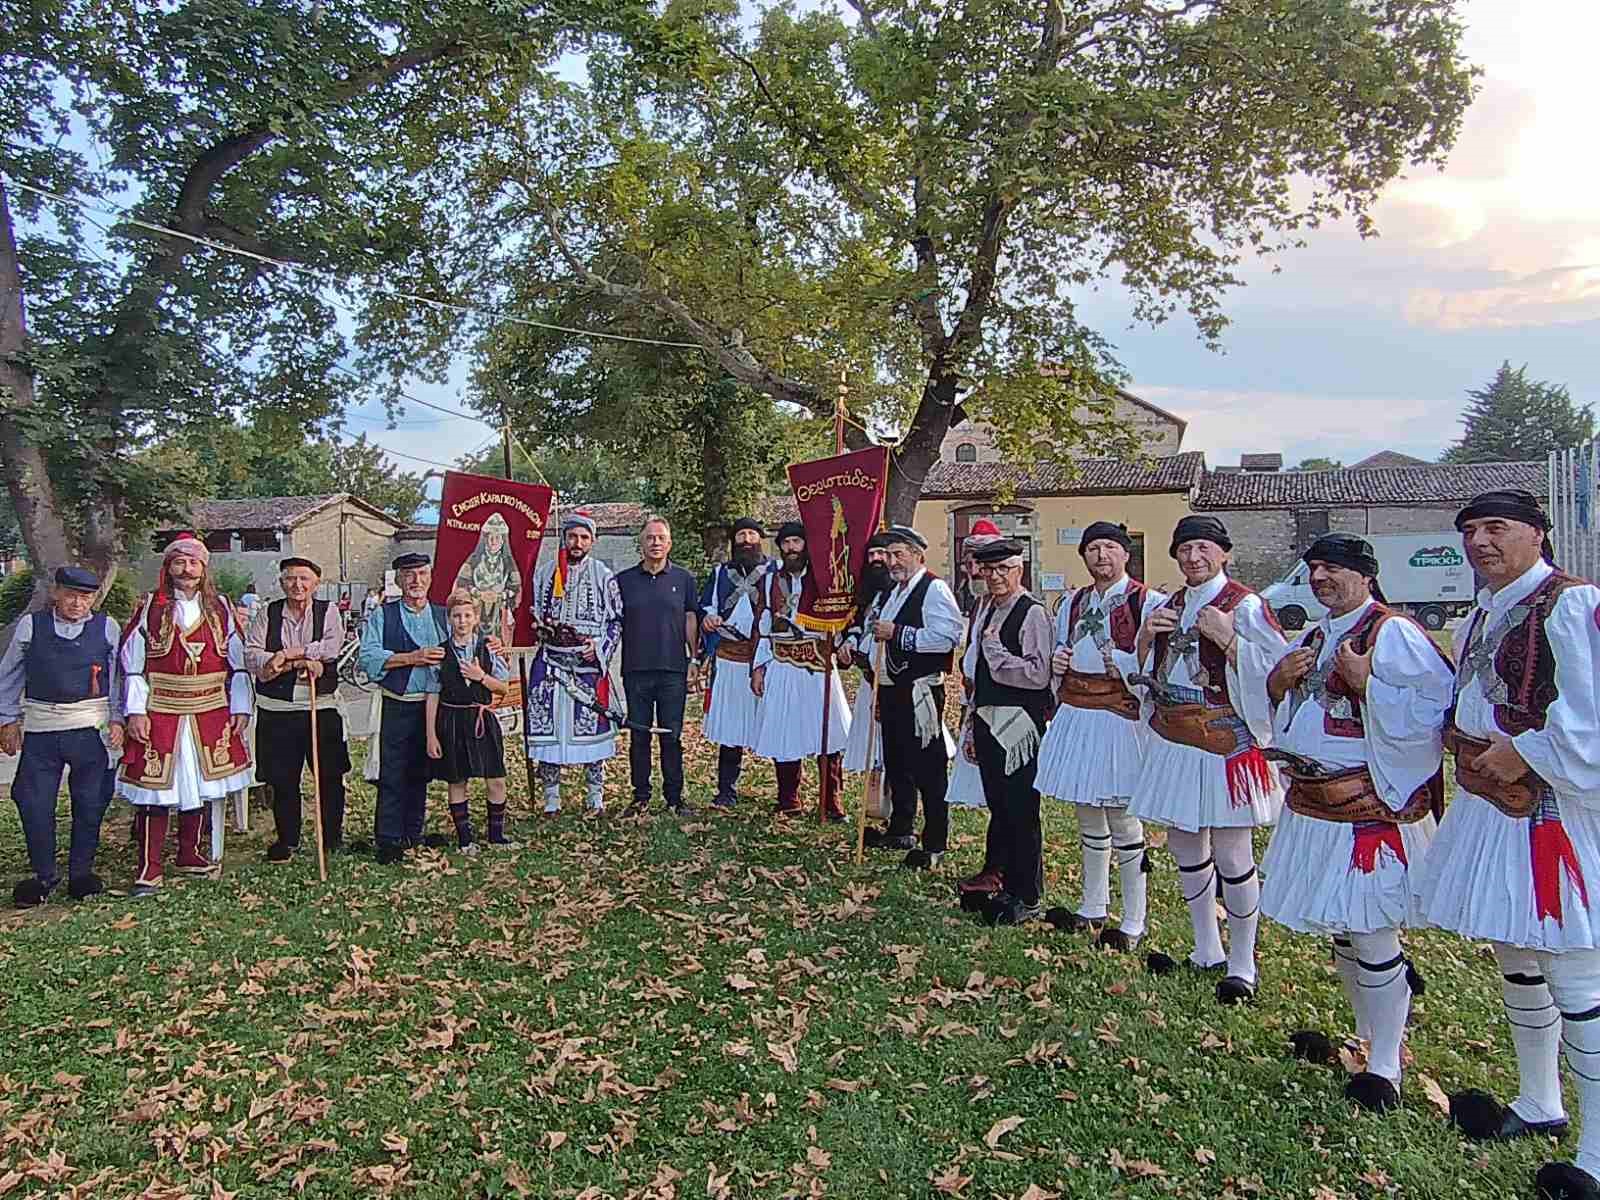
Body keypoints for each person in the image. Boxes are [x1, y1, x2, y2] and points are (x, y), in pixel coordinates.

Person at [1410, 491, 1600, 1200]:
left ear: (1537, 534)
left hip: (1556, 808)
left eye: (1497, 528)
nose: (1480, 541)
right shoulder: (1485, 611)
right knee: (1516, 953)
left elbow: (1592, 710)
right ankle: (1539, 1100)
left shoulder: (1571, 604)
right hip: (1493, 802)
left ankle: (1596, 1151)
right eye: (1469, 530)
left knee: (1574, 970)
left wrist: (1527, 750)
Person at [1243, 534, 1451, 1112]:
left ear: (1365, 574)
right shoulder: (1315, 634)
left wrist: (1368, 685)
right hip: (1314, 805)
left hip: (1367, 809)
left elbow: (1433, 712)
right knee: (1341, 928)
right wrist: (1278, 683)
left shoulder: (1393, 633)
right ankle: (1366, 1039)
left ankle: (1386, 1065)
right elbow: (1290, 710)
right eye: (1313, 569)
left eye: (1333, 568)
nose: (1320, 578)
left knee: (1373, 928)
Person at [1127, 515, 1285, 1003]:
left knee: (1234, 852)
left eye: (1203, 549)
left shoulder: (1246, 604)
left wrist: (1228, 639)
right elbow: (1144, 670)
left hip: (1224, 741)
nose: (1193, 558)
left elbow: (1278, 672)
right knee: (1185, 846)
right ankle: (1205, 946)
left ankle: (1243, 962)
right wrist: (1145, 639)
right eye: (1185, 550)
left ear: (1223, 553)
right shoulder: (1170, 603)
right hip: (1176, 737)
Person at [1036, 522, 1167, 951]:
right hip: (1078, 712)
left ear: (1126, 554)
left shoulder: (1148, 603)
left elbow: (1159, 671)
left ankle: (1134, 918)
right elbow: (1060, 648)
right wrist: (1058, 662)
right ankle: (1092, 905)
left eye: (1110, 547)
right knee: (1088, 814)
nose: (1101, 556)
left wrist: (1126, 664)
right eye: (1093, 548)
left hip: (1120, 717)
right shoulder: (1071, 602)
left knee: (1124, 820)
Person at [118, 534, 253, 896]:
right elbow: (132, 664)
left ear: (204, 568)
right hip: (162, 709)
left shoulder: (221, 607)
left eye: (194, 562)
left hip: (210, 708)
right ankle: (149, 866)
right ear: (169, 567)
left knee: (199, 785)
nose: (187, 568)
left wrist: (240, 706)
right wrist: (135, 711)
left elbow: (238, 664)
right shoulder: (150, 607)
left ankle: (189, 853)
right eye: (180, 562)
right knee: (156, 789)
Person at [0, 567, 123, 906]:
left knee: (90, 801)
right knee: (33, 802)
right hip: (41, 729)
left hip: (89, 728)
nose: (76, 602)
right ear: (56, 593)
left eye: (85, 596)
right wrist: (7, 719)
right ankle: (43, 875)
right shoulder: (32, 626)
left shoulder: (107, 628)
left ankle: (80, 874)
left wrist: (118, 719)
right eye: (70, 594)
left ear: (94, 598)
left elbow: (118, 678)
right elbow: (8, 673)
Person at [963, 537, 1055, 924]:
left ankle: (1028, 895)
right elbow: (974, 670)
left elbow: (1039, 674)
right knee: (999, 808)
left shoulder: (1032, 612)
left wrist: (998, 657)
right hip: (986, 718)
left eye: (1005, 569)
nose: (996, 576)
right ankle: (1003, 883)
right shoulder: (984, 606)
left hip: (1018, 726)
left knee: (1021, 810)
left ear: (1020, 569)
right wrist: (969, 724)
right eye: (989, 569)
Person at [860, 526, 962, 868]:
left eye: (898, 553)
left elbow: (947, 637)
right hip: (891, 688)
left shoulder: (934, 589)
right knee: (898, 762)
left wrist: (898, 633)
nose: (891, 561)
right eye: (888, 554)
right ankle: (901, 827)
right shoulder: (895, 592)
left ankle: (935, 841)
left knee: (929, 767)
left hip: (920, 691)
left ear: (919, 554)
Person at [245, 557, 349, 863]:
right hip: (277, 709)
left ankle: (332, 837)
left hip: (321, 706)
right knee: (282, 778)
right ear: (281, 583)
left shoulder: (328, 611)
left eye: (304, 579)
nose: (297, 585)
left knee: (330, 776)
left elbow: (331, 648)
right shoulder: (268, 612)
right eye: (290, 579)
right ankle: (287, 840)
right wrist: (301, 660)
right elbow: (252, 654)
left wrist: (287, 656)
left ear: (316, 583)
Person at [751, 521, 850, 819]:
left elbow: (841, 617)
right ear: (780, 547)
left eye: (797, 541)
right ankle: (788, 799)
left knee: (828, 733)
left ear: (807, 545)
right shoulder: (769, 581)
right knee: (785, 730)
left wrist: (844, 645)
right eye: (787, 542)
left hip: (818, 663)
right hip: (783, 663)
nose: (792, 548)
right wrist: (758, 667)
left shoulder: (825, 579)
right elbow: (762, 626)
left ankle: (830, 800)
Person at [527, 509, 623, 815]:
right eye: (572, 536)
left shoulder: (603, 576)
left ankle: (595, 796)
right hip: (551, 663)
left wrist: (599, 649)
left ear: (592, 541)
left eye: (584, 537)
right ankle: (551, 798)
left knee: (592, 731)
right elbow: (531, 615)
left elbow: (617, 621)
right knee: (548, 734)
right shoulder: (544, 573)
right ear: (565, 538)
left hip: (587, 667)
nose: (577, 542)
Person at [358, 551, 449, 864]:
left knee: (421, 771)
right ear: (398, 580)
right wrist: (412, 658)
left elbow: (464, 646)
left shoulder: (442, 615)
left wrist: (491, 645)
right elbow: (368, 659)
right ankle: (388, 838)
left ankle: (414, 831)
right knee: (393, 771)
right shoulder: (383, 615)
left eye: (422, 574)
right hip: (397, 704)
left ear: (430, 577)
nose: (416, 581)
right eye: (409, 574)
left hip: (432, 707)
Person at [616, 516, 702, 815]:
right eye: (650, 537)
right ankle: (640, 796)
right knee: (639, 736)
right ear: (641, 543)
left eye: (661, 537)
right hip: (636, 670)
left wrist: (694, 659)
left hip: (673, 671)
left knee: (672, 735)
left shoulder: (684, 579)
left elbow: (692, 618)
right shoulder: (623, 581)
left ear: (669, 543)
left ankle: (675, 798)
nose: (655, 542)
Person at [426, 590, 514, 854]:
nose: (462, 621)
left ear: (476, 618)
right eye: (456, 616)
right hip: (452, 719)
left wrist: (480, 676)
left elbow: (503, 688)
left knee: (496, 778)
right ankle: (465, 840)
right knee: (457, 779)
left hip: (481, 718)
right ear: (449, 619)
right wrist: (431, 734)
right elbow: (432, 694)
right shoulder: (441, 653)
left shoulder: (488, 648)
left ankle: (496, 836)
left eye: (467, 615)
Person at [700, 518, 771, 807]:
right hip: (729, 657)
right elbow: (706, 605)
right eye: (741, 535)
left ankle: (787, 794)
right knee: (730, 726)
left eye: (751, 534)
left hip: (764, 657)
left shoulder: (773, 571)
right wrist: (709, 617)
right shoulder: (720, 573)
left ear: (760, 539)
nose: (745, 539)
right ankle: (726, 790)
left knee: (773, 721)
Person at [949, 520, 1004, 819]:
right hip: (974, 696)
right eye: (968, 563)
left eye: (978, 563)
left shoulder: (1013, 604)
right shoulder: (979, 602)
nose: (971, 570)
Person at [840, 534, 894, 811]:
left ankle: (900, 811)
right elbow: (857, 622)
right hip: (868, 677)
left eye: (882, 554)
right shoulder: (866, 593)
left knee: (898, 749)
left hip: (895, 681)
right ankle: (877, 807)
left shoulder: (901, 592)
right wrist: (849, 640)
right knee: (875, 749)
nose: (876, 560)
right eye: (872, 554)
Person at [453, 511, 521, 644]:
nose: (493, 542)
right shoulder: (474, 559)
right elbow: (462, 581)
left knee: (498, 644)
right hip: (475, 606)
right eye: (490, 537)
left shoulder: (508, 562)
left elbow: (516, 586)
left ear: (503, 541)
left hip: (499, 608)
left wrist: (501, 596)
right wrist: (477, 593)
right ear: (485, 539)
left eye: (497, 538)